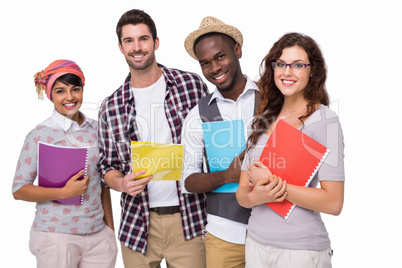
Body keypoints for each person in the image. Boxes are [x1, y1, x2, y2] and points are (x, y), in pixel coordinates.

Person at [97, 9, 208, 268]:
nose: (137, 47)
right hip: (138, 224)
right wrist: (122, 183)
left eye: (143, 39)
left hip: (190, 219)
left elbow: (212, 146)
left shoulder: (191, 85)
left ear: (155, 43)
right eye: (129, 41)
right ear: (121, 47)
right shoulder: (111, 106)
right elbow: (106, 166)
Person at [236, 32, 345, 268]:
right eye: (281, 64)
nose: (287, 72)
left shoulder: (324, 121)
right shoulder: (261, 120)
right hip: (255, 244)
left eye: (298, 65)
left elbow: (333, 203)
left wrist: (272, 184)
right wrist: (257, 196)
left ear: (312, 71)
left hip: (300, 252)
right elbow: (243, 194)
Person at [12, 59, 118, 268]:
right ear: (50, 94)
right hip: (56, 236)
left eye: (75, 89)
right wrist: (63, 192)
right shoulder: (39, 135)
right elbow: (19, 189)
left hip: (98, 237)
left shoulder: (98, 129)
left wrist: (110, 231)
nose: (69, 97)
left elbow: (102, 183)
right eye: (60, 91)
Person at [181, 16, 259, 267]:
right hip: (224, 237)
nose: (214, 68)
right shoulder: (197, 116)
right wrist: (227, 176)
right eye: (205, 63)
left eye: (220, 57)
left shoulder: (273, 99)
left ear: (237, 50)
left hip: (273, 232)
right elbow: (188, 181)